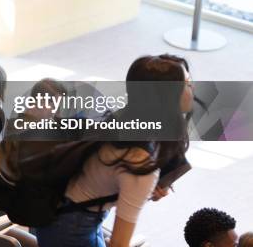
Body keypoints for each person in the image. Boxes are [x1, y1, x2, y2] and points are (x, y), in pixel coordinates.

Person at [35, 54, 192, 247]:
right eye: (186, 83)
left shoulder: (122, 119)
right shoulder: (140, 163)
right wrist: (142, 187)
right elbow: (119, 244)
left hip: (62, 213)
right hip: (72, 227)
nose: (192, 88)